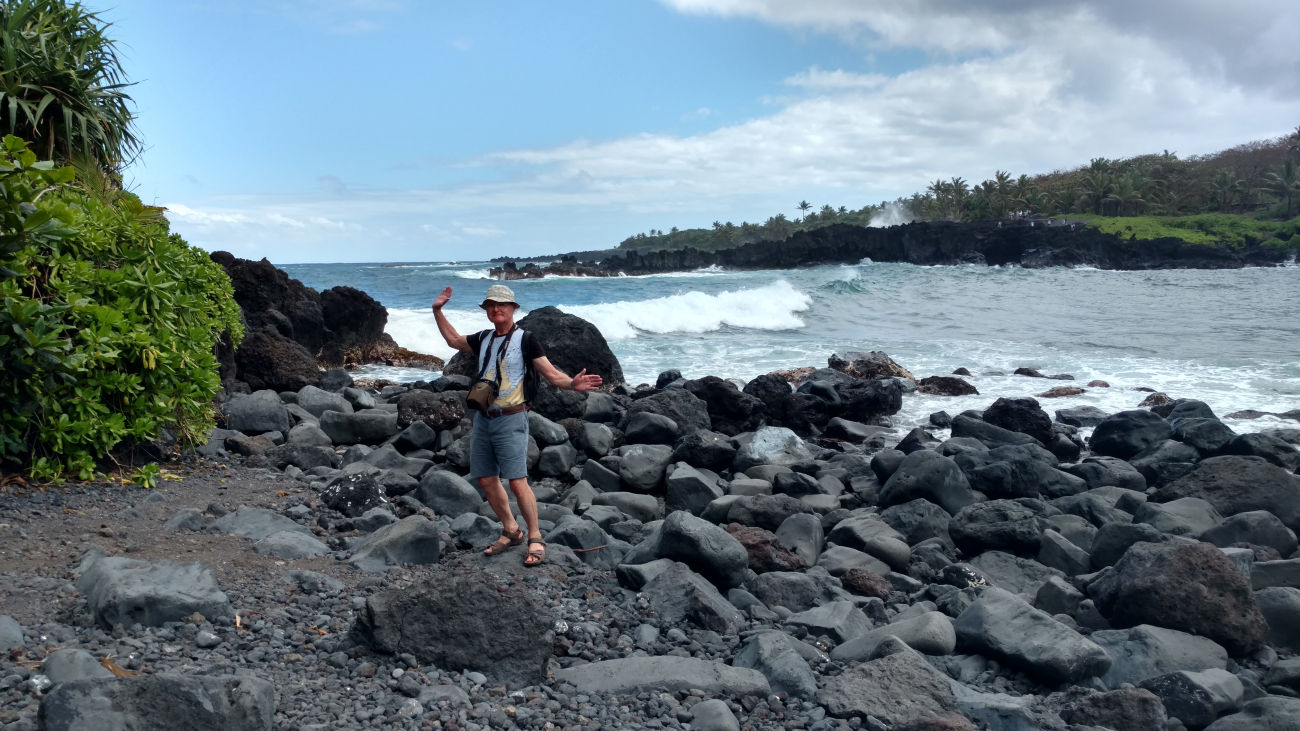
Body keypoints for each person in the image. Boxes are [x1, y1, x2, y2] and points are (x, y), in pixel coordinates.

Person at [431, 284, 603, 566]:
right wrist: (437, 310)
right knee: (485, 478)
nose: (496, 309)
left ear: (513, 309)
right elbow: (453, 340)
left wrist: (573, 383)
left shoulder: (526, 340)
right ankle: (511, 530)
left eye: (502, 305)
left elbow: (549, 373)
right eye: (490, 305)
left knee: (517, 480)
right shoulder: (483, 338)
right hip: (484, 418)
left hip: (512, 417)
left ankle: (536, 537)